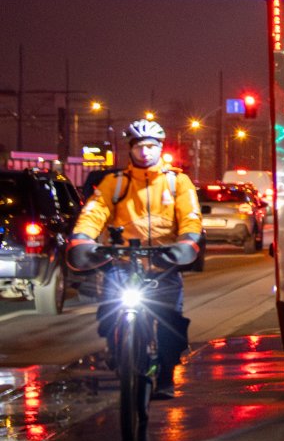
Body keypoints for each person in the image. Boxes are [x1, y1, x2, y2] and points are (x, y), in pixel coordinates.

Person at [66, 119, 200, 398]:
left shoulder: (177, 182)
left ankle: (164, 375)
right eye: (139, 146)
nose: (145, 152)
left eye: (151, 146)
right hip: (123, 262)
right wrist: (83, 239)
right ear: (130, 149)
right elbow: (94, 213)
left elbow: (190, 217)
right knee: (110, 313)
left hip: (163, 263)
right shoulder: (114, 183)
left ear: (161, 148)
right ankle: (119, 352)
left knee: (170, 324)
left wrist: (186, 243)